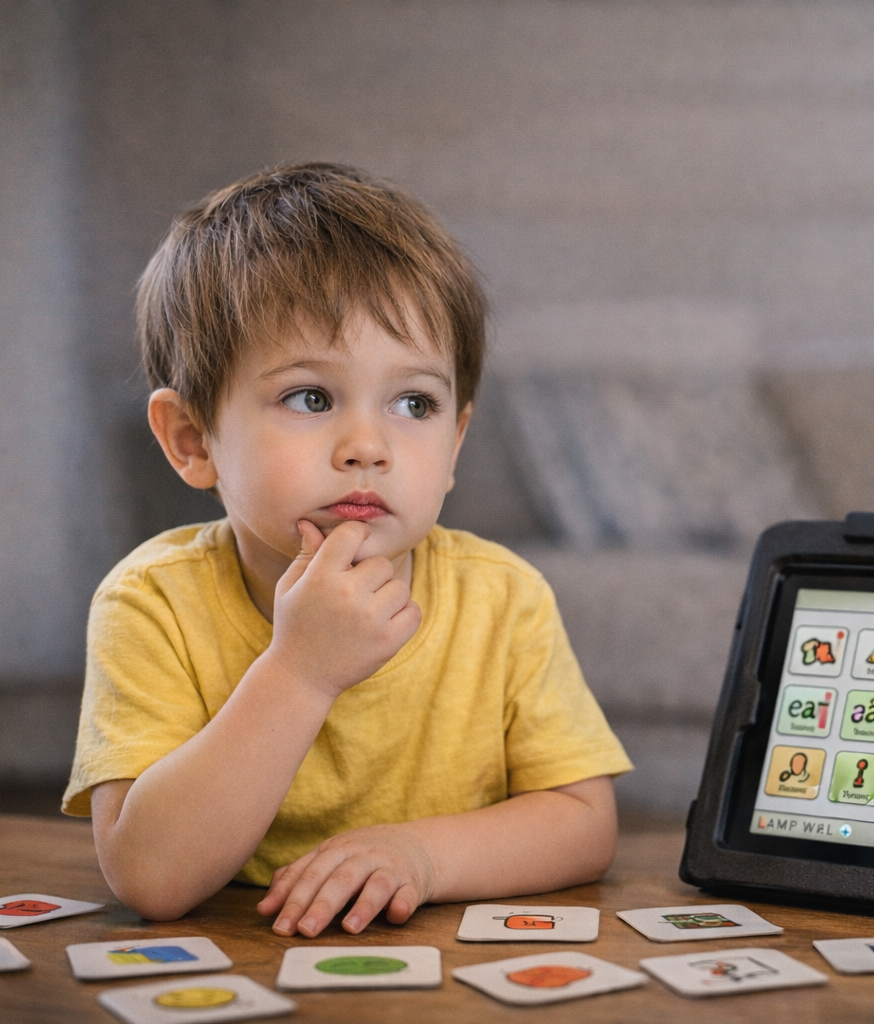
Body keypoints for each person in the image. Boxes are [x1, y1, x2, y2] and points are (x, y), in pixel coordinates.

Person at [63, 163, 632, 938]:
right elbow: (151, 878)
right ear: (193, 441)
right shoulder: (152, 603)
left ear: (455, 440)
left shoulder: (503, 597)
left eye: (413, 404)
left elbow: (583, 823)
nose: (368, 446)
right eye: (311, 397)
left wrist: (421, 855)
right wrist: (301, 671)